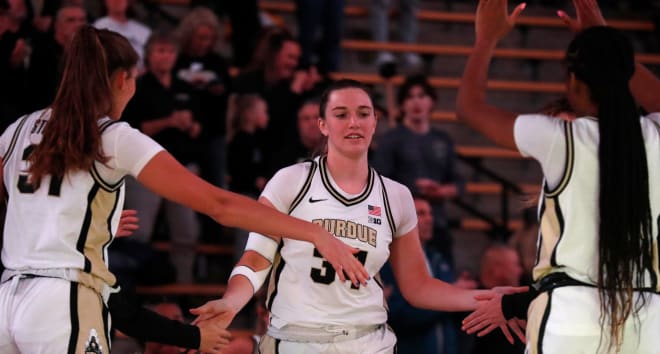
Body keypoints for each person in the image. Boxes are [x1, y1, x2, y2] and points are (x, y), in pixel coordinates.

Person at [0, 25, 368, 354]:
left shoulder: (16, 130)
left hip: (7, 299)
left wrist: (97, 227)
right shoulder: (113, 137)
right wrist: (314, 232)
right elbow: (218, 203)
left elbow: (23, 209)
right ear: (124, 81)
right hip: (62, 302)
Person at [189, 79, 525, 354]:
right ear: (322, 124)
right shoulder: (291, 180)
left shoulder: (397, 196)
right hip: (296, 340)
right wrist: (232, 302)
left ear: (376, 122)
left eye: (364, 113)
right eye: (341, 113)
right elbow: (257, 256)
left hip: (368, 342)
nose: (354, 122)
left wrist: (483, 297)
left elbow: (418, 286)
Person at [456, 0, 660, 353]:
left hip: (569, 311)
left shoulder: (560, 138)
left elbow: (469, 110)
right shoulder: (655, 136)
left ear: (573, 80)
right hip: (647, 317)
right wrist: (605, 39)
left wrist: (486, 40)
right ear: (626, 75)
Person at [373, 74, 464, 267]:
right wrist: (411, 193)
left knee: (443, 282)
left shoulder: (442, 140)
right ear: (402, 104)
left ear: (431, 102)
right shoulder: (391, 139)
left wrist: (441, 191)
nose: (416, 102)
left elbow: (459, 183)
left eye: (422, 96)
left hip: (435, 223)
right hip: (402, 224)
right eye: (410, 96)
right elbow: (378, 181)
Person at [380, 196, 469, 354]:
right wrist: (451, 297)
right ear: (404, 219)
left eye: (430, 213)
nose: (429, 219)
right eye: (421, 213)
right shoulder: (389, 262)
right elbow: (399, 315)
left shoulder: (438, 258)